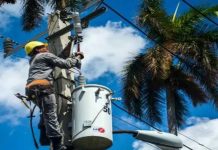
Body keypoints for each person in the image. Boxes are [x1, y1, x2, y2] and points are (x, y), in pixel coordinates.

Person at [25, 41, 84, 150]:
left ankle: (44, 133)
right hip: (42, 87)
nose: (47, 48)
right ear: (37, 49)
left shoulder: (33, 60)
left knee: (46, 112)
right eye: (43, 46)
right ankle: (57, 144)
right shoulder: (45, 55)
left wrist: (67, 50)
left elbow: (56, 60)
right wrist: (78, 57)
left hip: (31, 90)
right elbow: (65, 64)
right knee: (51, 114)